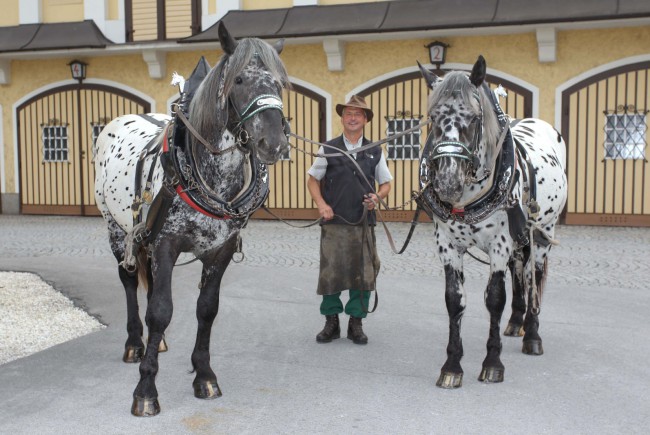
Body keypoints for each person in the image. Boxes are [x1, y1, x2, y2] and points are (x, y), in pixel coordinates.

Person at [307, 95, 392, 345]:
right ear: (342, 119)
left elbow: (386, 184)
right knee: (330, 274)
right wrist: (322, 205)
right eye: (348, 114)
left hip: (364, 223)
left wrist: (376, 197)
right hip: (334, 223)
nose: (352, 118)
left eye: (358, 114)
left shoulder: (375, 150)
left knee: (363, 273)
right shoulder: (329, 148)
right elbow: (313, 180)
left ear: (365, 119)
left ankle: (356, 322)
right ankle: (331, 322)